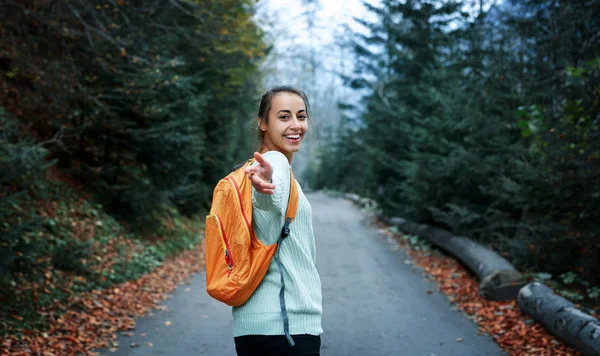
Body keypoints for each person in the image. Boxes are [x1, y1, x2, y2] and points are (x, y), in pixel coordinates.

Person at [233, 86, 323, 356]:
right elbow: (270, 208)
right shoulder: (275, 164)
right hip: (286, 327)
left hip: (256, 327)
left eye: (301, 116)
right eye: (284, 117)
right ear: (263, 123)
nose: (296, 125)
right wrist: (265, 188)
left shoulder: (266, 166)